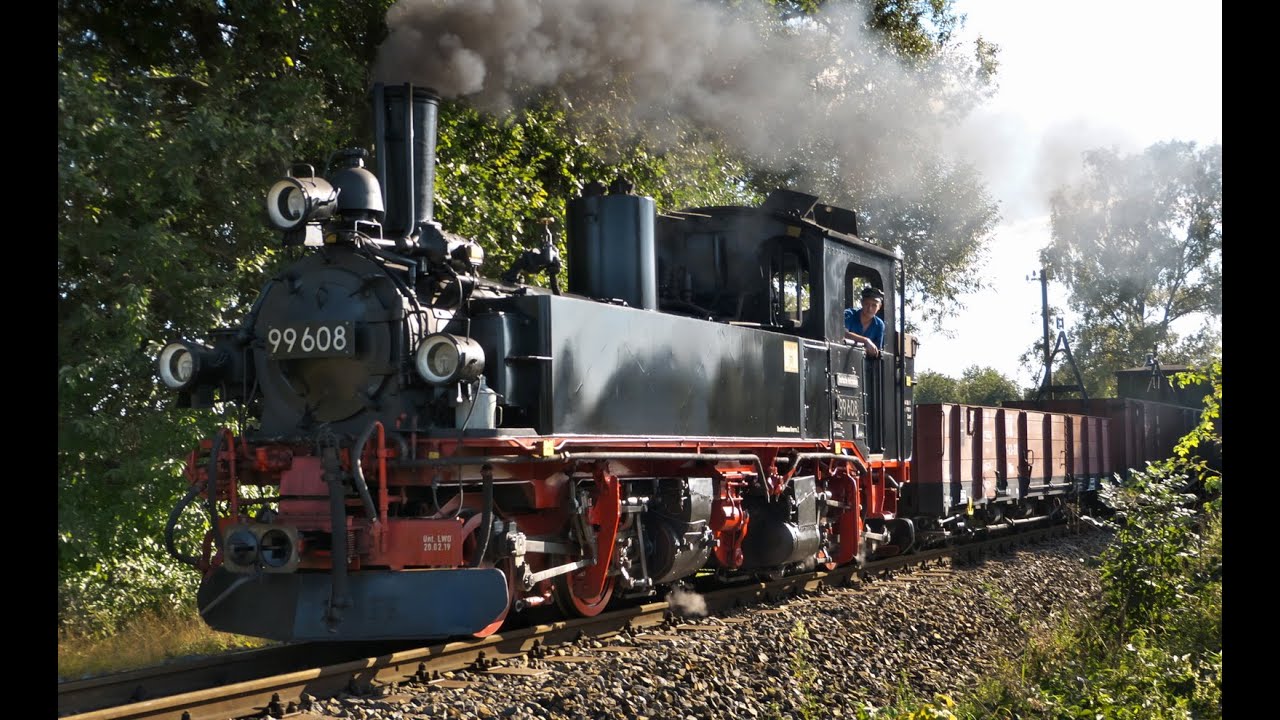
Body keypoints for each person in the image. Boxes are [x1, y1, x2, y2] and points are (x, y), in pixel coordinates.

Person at [844, 286, 885, 358]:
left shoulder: (879, 325)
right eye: (867, 304)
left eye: (874, 305)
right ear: (861, 303)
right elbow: (842, 333)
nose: (870, 308)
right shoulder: (849, 314)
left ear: (879, 306)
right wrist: (866, 341)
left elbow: (876, 351)